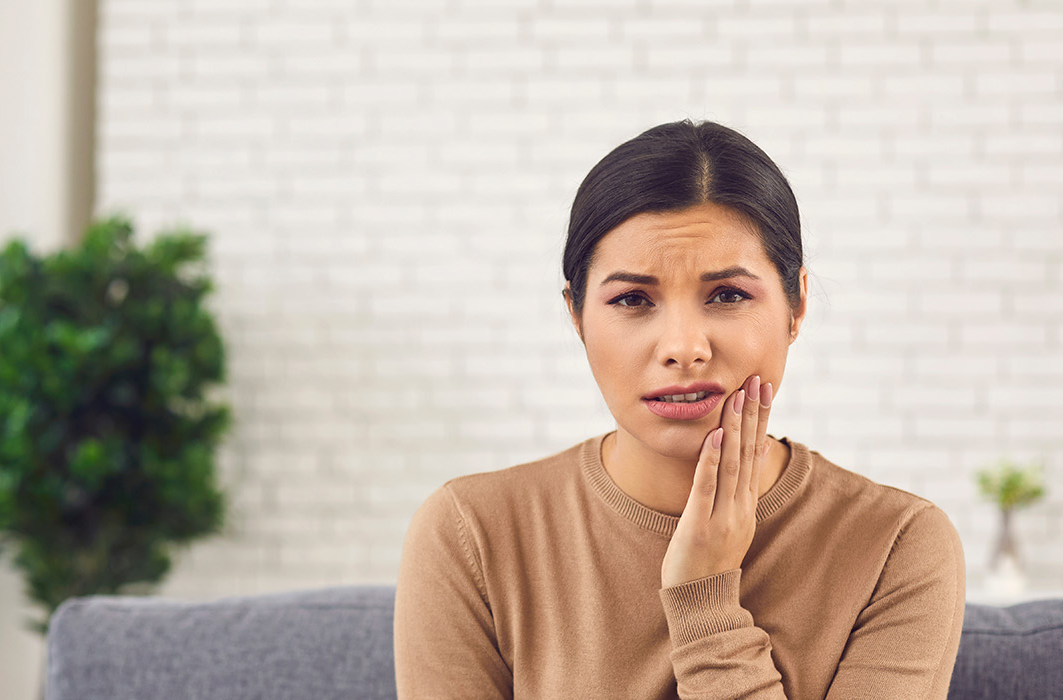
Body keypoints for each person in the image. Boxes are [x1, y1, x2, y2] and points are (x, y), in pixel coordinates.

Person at [393, 118, 965, 699]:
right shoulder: (471, 534)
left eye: (728, 295)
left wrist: (706, 603)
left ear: (797, 305)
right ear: (576, 317)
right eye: (633, 299)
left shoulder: (897, 545)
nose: (684, 349)